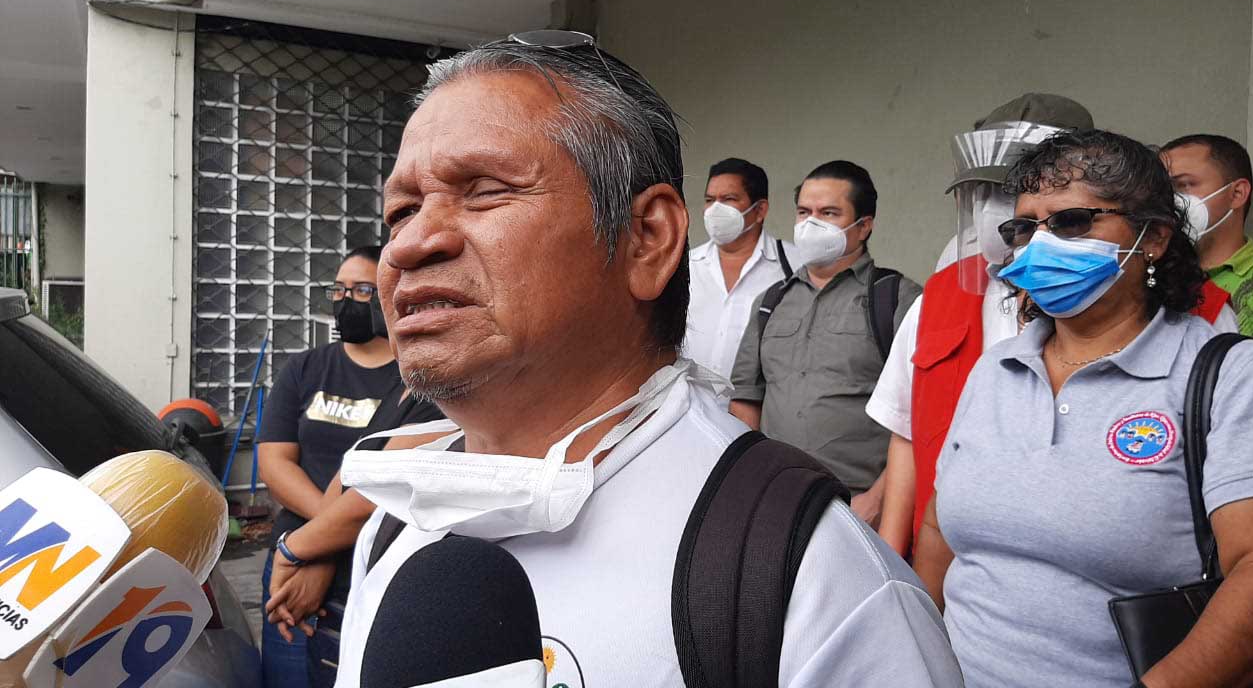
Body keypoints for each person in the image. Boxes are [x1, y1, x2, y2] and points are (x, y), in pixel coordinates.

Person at [332, 33, 962, 686]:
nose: (410, 245)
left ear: (648, 238)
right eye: (401, 211)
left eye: (486, 190)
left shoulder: (814, 580)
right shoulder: (397, 522)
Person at [913, 129, 1253, 687]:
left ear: (1153, 237)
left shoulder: (1233, 374)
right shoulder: (995, 369)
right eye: (1024, 228)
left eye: (1071, 221)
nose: (1040, 244)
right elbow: (940, 529)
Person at [868, 95, 1238, 557]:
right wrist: (894, 570)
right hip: (955, 561)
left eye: (1070, 219)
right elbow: (908, 440)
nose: (999, 210)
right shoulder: (943, 303)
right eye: (990, 193)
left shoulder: (1212, 332)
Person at [729, 161, 921, 521]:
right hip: (773, 499)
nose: (811, 224)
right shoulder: (771, 302)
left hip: (858, 506)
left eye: (829, 213)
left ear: (864, 226)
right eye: (804, 212)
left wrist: (879, 500)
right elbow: (745, 401)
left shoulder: (898, 299)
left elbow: (919, 416)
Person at [256, 244, 401, 688]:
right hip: (292, 562)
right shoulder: (305, 368)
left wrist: (324, 545)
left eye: (361, 290)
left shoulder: (412, 382)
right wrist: (323, 539)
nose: (345, 300)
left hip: (372, 565)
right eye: (338, 290)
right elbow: (274, 463)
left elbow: (395, 479)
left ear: (389, 294)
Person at [263, 376, 442, 688]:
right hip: (338, 598)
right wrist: (320, 549)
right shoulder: (401, 388)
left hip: (379, 601)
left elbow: (376, 494)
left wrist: (295, 549)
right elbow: (351, 470)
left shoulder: (447, 396)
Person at [685, 158, 798, 387]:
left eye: (728, 199)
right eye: (709, 200)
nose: (715, 209)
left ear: (760, 210)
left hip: (759, 405)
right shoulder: (686, 266)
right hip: (690, 403)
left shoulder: (795, 266)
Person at [1162, 134, 1253, 349]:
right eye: (1163, 189)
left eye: (1184, 185)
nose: (1170, 200)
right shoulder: (1147, 273)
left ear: (1237, 194)